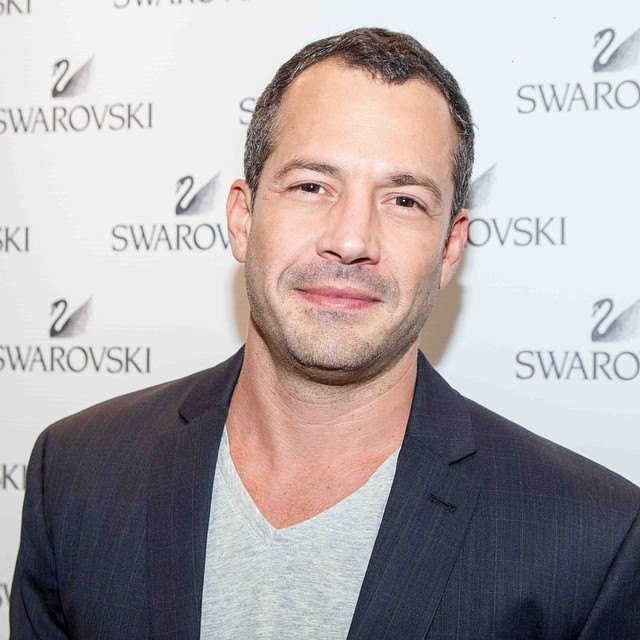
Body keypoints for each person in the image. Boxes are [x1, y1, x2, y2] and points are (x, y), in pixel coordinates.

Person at [10, 26, 640, 640]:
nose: (351, 239)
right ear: (242, 218)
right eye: (312, 186)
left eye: (404, 200)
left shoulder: (591, 542)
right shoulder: (75, 474)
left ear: (450, 248)